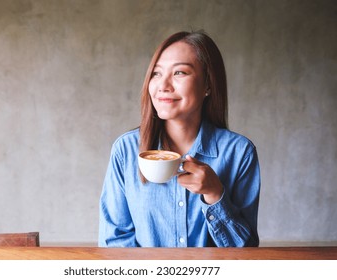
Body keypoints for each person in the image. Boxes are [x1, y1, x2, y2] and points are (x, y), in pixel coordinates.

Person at [98, 30, 260, 247]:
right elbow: (114, 243)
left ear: (208, 85)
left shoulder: (239, 152)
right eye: (156, 73)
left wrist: (215, 195)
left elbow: (247, 252)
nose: (163, 85)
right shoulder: (126, 150)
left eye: (180, 73)